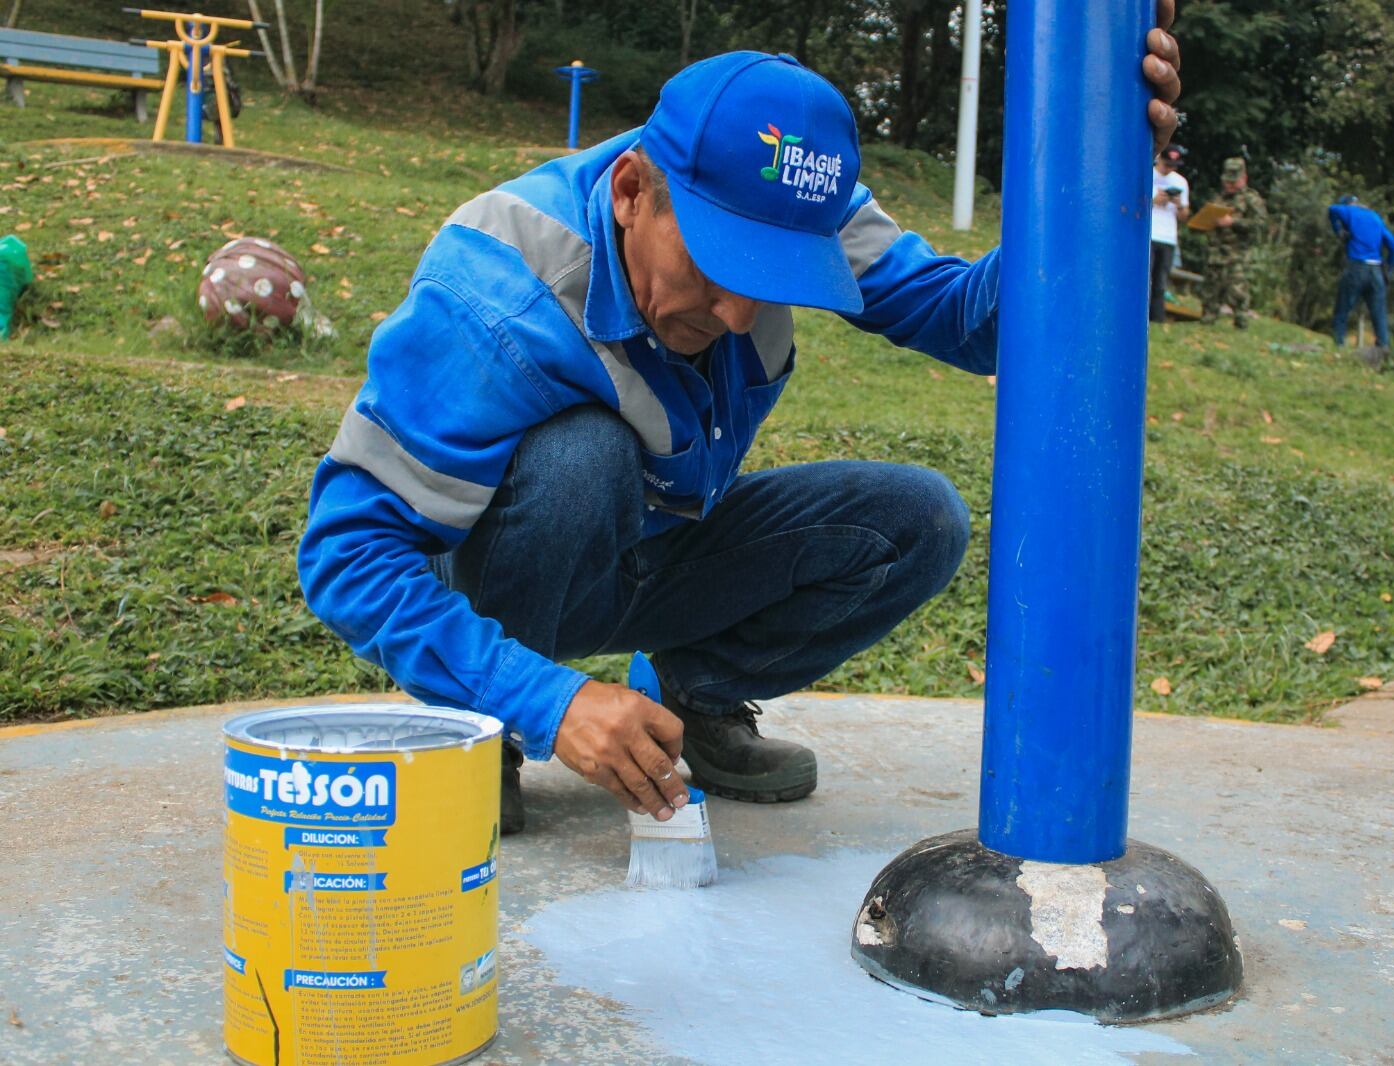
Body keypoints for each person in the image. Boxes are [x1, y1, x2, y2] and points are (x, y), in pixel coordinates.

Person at [296, 29, 1184, 836]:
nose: (735, 312)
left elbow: (972, 320)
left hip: (655, 544)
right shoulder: (496, 292)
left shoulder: (806, 208)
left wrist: (1097, 162)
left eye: (772, 277)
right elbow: (347, 554)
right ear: (634, 191)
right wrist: (545, 700)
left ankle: (691, 698)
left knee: (915, 521)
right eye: (717, 267)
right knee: (582, 459)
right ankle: (483, 733)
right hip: (514, 563)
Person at [1199, 156, 1267, 330]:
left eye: (1233, 181)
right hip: (1216, 251)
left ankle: (1241, 322)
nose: (1228, 185)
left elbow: (1260, 224)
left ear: (1243, 178)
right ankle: (1208, 319)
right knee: (1211, 287)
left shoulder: (1251, 199)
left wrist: (1234, 222)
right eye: (1226, 181)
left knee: (1237, 289)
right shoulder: (1219, 197)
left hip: (1237, 253)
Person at [1327, 195, 1394, 349]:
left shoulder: (1350, 211)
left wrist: (1338, 230)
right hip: (1376, 270)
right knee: (1378, 312)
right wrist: (1390, 268)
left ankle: (1338, 344)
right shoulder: (1375, 218)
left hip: (1357, 267)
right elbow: (1392, 244)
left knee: (1343, 307)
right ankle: (1383, 347)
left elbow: (1332, 209)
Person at [1150, 144, 1190, 322]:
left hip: (1168, 237)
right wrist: (1153, 200)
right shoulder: (1146, 174)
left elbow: (1185, 215)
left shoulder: (1180, 182)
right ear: (1159, 159)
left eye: (1174, 166)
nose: (1170, 169)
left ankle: (1157, 318)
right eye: (1167, 164)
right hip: (1149, 235)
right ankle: (1139, 318)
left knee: (1161, 281)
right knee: (1145, 279)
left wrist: (1178, 203)